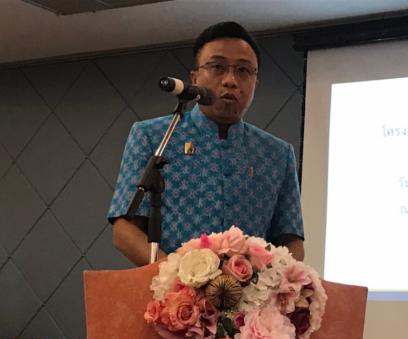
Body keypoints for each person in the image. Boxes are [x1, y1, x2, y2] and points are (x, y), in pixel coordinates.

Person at [107, 21, 305, 265]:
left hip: (253, 289)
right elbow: (124, 230)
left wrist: (272, 280)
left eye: (243, 70)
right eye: (218, 67)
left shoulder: (277, 153)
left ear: (255, 83)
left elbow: (292, 241)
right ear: (195, 77)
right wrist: (173, 276)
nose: (230, 80)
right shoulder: (153, 136)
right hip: (169, 286)